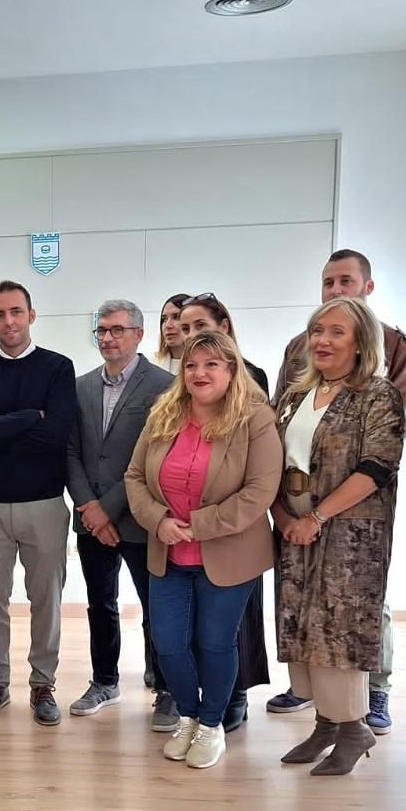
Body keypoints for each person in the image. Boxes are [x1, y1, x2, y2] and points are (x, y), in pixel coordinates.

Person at [268, 249, 406, 733]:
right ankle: (324, 727)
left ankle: (354, 726)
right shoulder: (296, 393)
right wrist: (286, 516)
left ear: (360, 342)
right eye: (318, 332)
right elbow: (271, 453)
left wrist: (317, 517)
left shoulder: (378, 392)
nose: (323, 340)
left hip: (349, 529)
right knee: (301, 621)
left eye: (336, 333)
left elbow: (378, 465)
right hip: (295, 524)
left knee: (342, 627)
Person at [125, 330, 280, 769]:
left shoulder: (255, 417)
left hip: (229, 555)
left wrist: (198, 525)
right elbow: (134, 476)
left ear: (232, 369)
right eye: (191, 365)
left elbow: (260, 491)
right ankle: (189, 717)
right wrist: (159, 521)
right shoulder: (164, 414)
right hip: (168, 553)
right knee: (168, 643)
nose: (199, 373)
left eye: (212, 364)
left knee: (214, 643)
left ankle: (211, 724)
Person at [0, 280, 77, 726]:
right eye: (0, 314)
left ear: (31, 315)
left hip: (44, 502)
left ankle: (43, 684)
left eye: (16, 312)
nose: (9, 321)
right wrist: (30, 417)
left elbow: (56, 434)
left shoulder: (57, 368)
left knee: (46, 599)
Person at [65, 299, 174, 728]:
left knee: (156, 607)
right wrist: (90, 509)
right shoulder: (80, 386)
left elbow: (153, 460)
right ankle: (104, 681)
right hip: (90, 516)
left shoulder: (165, 386)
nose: (108, 338)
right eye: (102, 331)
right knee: (100, 604)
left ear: (139, 335)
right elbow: (71, 452)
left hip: (140, 518)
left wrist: (107, 509)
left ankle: (166, 689)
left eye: (117, 330)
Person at [173, 293, 273, 731]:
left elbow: (257, 479)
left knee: (229, 631)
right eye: (185, 327)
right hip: (178, 542)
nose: (192, 335)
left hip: (233, 537)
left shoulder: (251, 389)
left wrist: (203, 522)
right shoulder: (175, 396)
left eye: (200, 326)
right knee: (183, 633)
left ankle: (232, 697)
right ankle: (194, 708)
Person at [156, 292, 191, 376]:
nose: (168, 325)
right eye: (164, 319)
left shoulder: (207, 365)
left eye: (176, 317)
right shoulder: (150, 364)